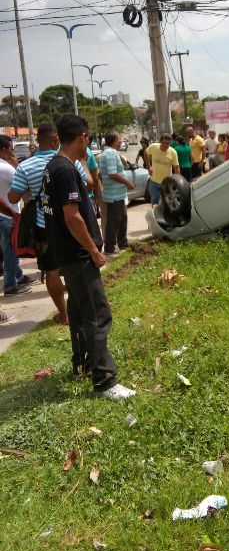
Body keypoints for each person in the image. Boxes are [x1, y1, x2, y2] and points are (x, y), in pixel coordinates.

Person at [42, 114, 135, 399]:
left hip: (68, 255)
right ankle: (104, 380)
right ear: (82, 136)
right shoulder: (66, 170)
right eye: (88, 137)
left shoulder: (55, 166)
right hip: (79, 256)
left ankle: (81, 364)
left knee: (81, 313)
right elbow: (72, 217)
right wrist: (95, 251)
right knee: (98, 314)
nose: (89, 142)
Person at [9, 122, 85, 325]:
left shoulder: (26, 166)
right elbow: (86, 183)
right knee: (72, 266)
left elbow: (14, 197)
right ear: (55, 140)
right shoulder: (68, 161)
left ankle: (64, 314)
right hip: (70, 224)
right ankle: (78, 308)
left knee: (51, 271)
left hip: (44, 226)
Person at [0, 135, 36, 296]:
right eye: (10, 149)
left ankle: (18, 275)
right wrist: (14, 162)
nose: (12, 152)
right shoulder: (6, 168)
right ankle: (10, 285)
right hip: (8, 215)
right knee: (12, 250)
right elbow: (23, 181)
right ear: (3, 149)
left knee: (7, 247)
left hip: (4, 214)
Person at [98, 131, 135, 255]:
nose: (121, 142)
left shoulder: (110, 153)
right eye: (119, 140)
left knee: (122, 218)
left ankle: (123, 243)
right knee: (114, 222)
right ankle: (109, 248)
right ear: (115, 142)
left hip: (117, 193)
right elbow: (112, 174)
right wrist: (127, 183)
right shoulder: (110, 154)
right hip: (114, 195)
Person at [144, 133, 180, 205]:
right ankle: (156, 215)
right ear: (160, 142)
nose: (166, 145)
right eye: (164, 143)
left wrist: (178, 181)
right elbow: (145, 153)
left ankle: (166, 215)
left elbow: (176, 168)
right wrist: (149, 167)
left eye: (168, 143)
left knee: (168, 202)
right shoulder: (153, 147)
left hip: (166, 182)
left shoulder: (173, 152)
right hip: (154, 181)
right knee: (155, 201)